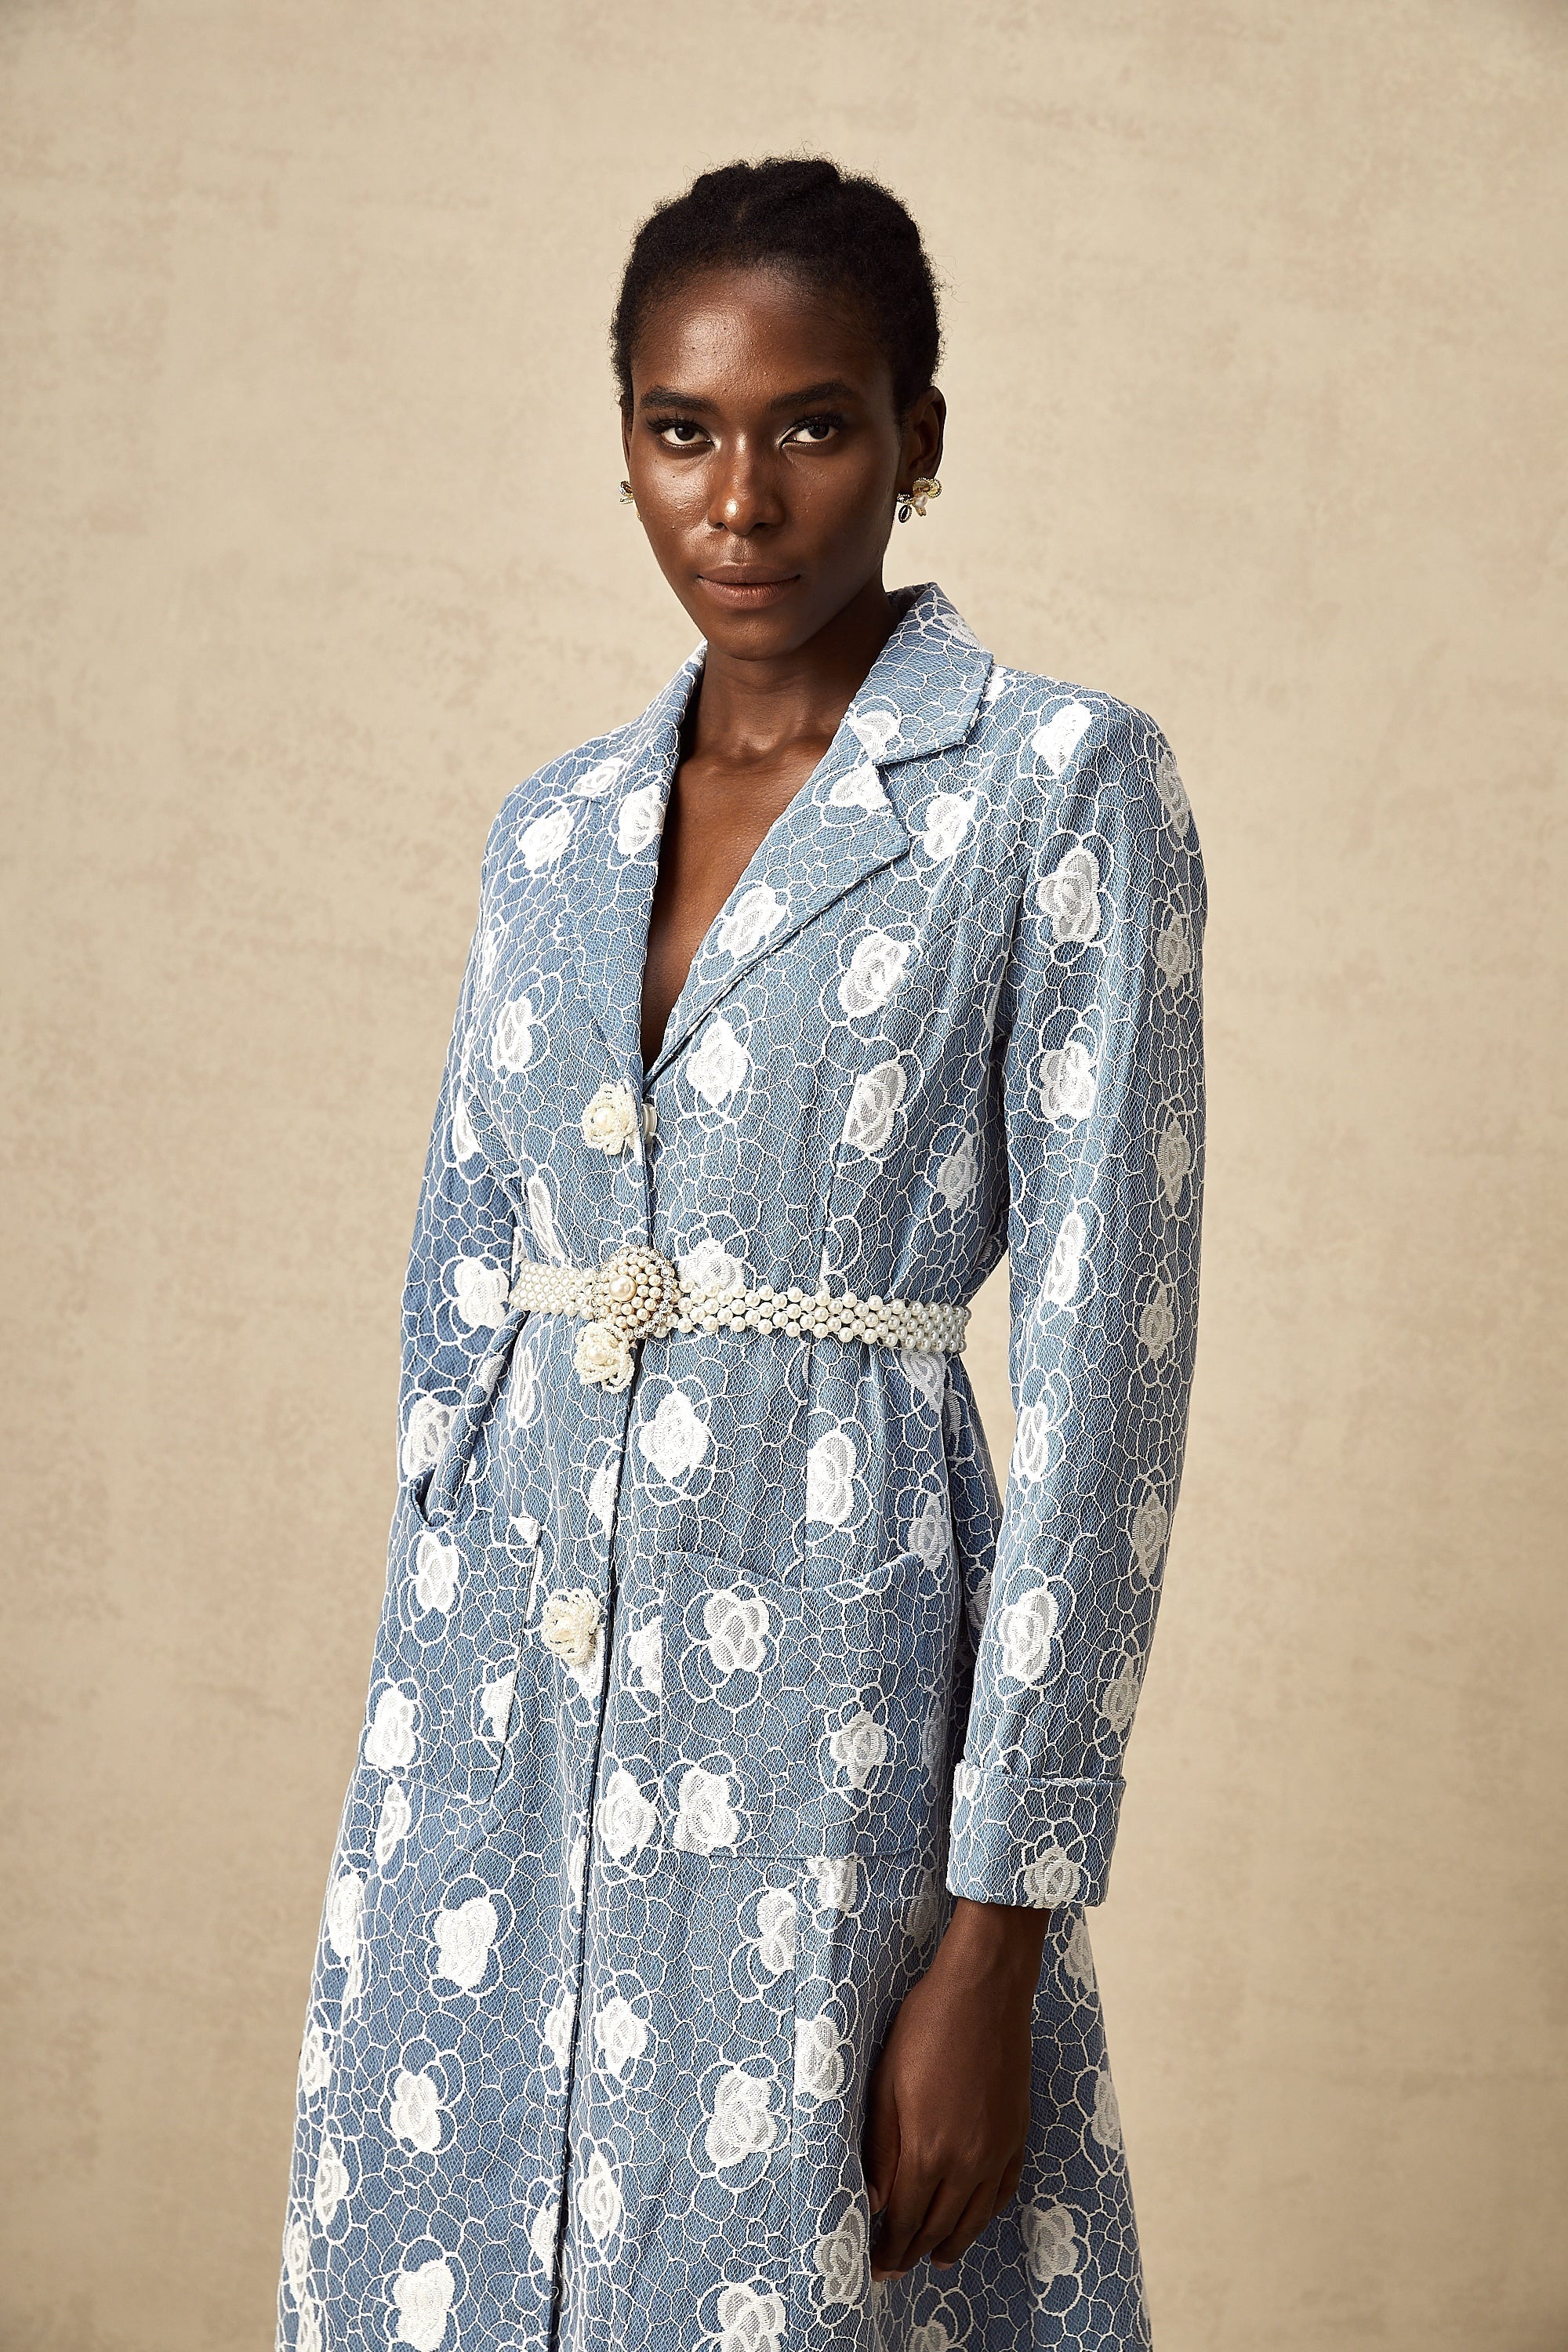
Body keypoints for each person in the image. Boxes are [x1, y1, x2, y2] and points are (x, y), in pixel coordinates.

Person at [277, 156, 1205, 2352]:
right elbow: (455, 1319)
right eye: (683, 430)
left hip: (827, 1744)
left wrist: (1001, 1931)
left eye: (813, 426)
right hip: (487, 1764)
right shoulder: (554, 831)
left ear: (918, 439)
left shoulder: (1053, 789)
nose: (743, 498)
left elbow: (1107, 1389)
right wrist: (431, 1733)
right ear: (622, 445)